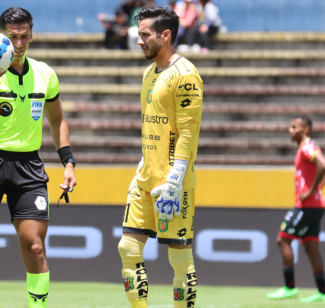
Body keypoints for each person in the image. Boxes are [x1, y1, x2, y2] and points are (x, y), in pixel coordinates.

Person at [0, 7, 77, 308]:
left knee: (34, 247)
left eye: (24, 36)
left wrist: (68, 163)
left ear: (31, 34)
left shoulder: (46, 74)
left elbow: (57, 121)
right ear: (1, 38)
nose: (19, 45)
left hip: (29, 168)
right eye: (12, 38)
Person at [119, 6, 202, 308]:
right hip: (144, 179)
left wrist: (175, 180)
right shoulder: (149, 72)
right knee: (127, 248)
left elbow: (188, 133)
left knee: (179, 258)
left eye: (144, 35)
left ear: (165, 36)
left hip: (173, 184)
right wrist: (143, 163)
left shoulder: (186, 75)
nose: (138, 40)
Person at [267, 116, 325, 303]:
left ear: (305, 130)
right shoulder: (306, 147)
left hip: (307, 206)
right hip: (317, 205)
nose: (290, 130)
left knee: (282, 239)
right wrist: (317, 189)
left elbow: (324, 166)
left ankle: (289, 288)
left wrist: (311, 191)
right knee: (311, 247)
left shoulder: (307, 147)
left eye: (294, 127)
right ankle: (323, 292)